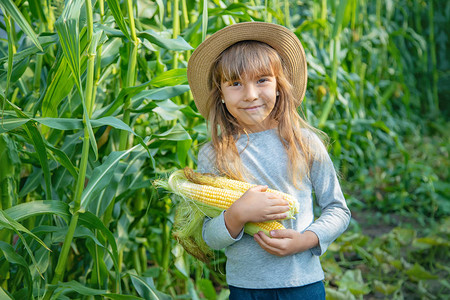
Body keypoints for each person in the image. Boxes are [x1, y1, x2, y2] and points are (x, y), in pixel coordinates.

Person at [186, 22, 351, 300]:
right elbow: (209, 236)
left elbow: (338, 210)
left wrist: (306, 240)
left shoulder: (304, 143)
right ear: (222, 96)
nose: (250, 94)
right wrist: (237, 215)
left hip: (302, 284)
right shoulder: (214, 154)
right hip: (245, 288)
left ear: (278, 86)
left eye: (262, 80)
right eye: (235, 84)